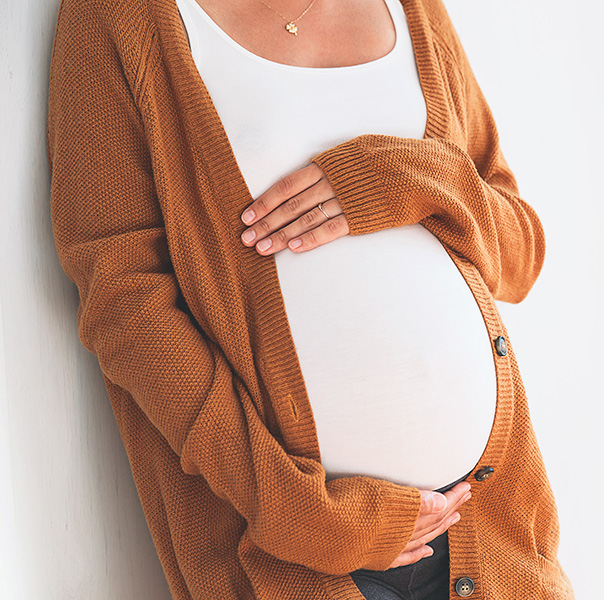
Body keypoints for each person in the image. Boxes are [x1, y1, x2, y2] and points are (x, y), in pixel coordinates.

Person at [46, 0, 574, 597]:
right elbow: (123, 299)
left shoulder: (415, 9)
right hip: (296, 553)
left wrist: (409, 178)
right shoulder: (119, 16)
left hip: (489, 521)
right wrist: (296, 512)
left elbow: (520, 254)